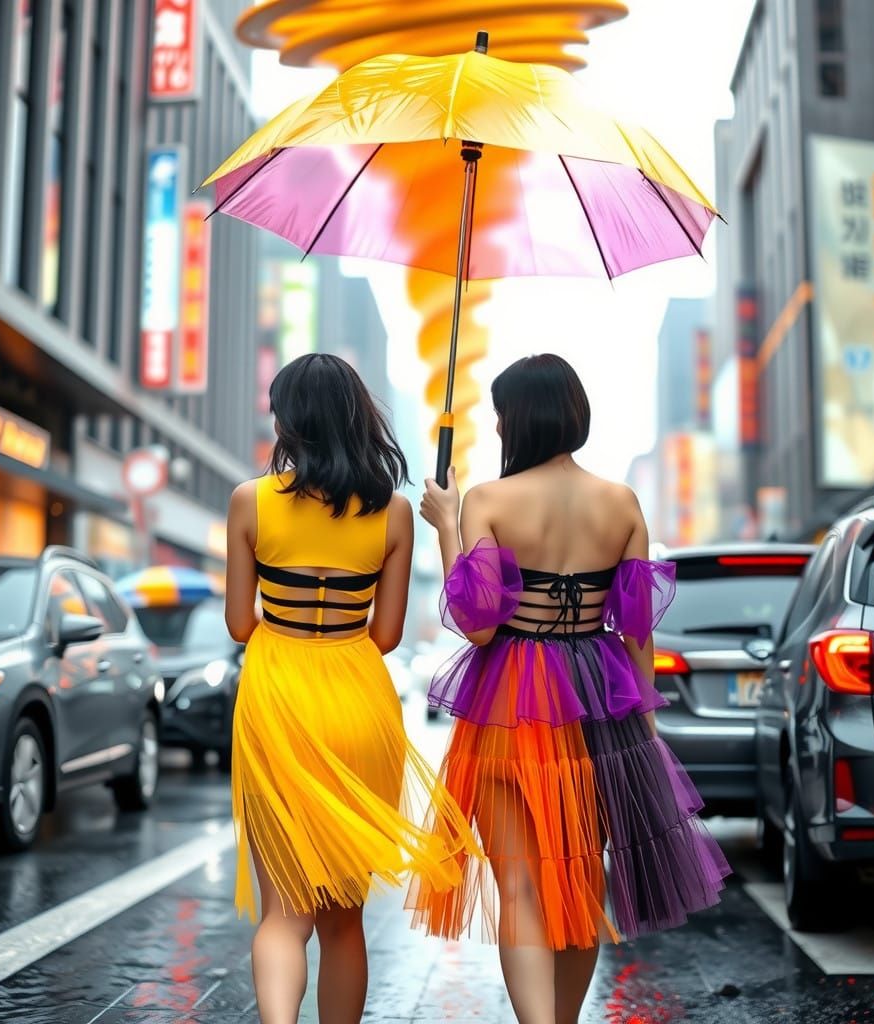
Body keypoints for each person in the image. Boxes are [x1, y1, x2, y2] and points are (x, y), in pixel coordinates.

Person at [410, 354, 730, 1024]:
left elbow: (478, 624)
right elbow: (637, 631)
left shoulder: (488, 501)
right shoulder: (621, 502)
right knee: (583, 880)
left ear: (516, 421)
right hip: (600, 697)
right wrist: (642, 733)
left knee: (520, 884)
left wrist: (445, 528)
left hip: (510, 699)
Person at [225, 353, 479, 1024]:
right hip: (358, 698)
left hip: (277, 698)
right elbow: (388, 632)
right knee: (343, 921)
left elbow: (237, 622)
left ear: (290, 420)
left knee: (285, 912)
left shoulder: (249, 501)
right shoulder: (394, 513)